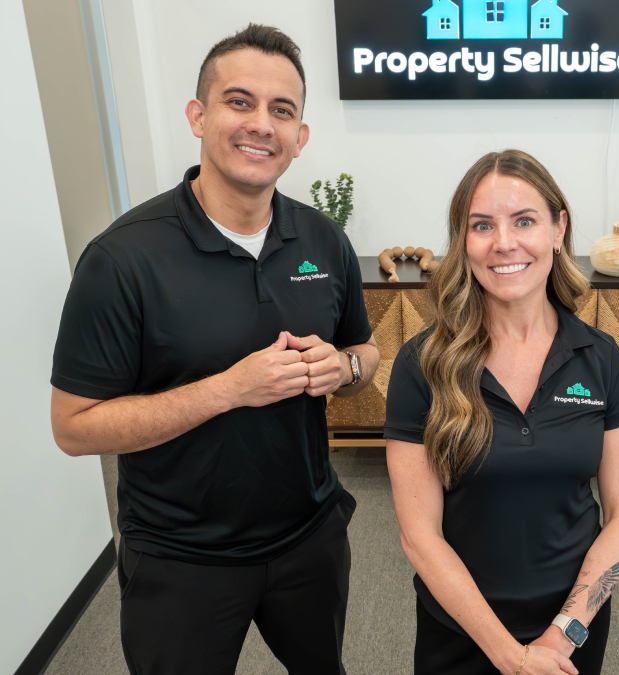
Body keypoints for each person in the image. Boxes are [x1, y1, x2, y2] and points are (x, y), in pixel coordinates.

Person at [49, 24, 378, 674]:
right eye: (239, 101)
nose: (261, 124)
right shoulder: (122, 259)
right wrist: (230, 388)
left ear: (299, 138)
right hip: (180, 556)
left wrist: (342, 367)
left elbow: (367, 354)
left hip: (308, 539)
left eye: (281, 110)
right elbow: (74, 427)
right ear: (198, 116)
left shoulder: (323, 241)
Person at [384, 150, 619, 675]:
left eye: (524, 220)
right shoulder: (423, 363)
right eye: (482, 225)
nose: (504, 243)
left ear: (557, 228)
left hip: (573, 630)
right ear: (464, 241)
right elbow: (420, 536)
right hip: (462, 632)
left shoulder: (600, 357)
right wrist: (510, 656)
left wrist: (561, 637)